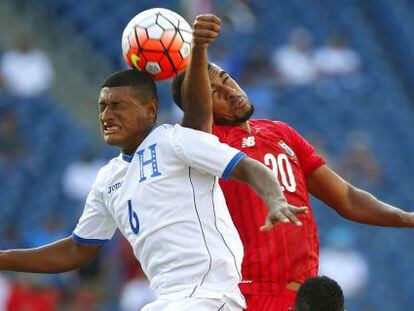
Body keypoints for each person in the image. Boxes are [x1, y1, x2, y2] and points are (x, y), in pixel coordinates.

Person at [0, 16, 306, 311]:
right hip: (167, 299)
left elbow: (248, 166)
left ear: (150, 110)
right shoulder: (108, 179)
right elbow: (76, 250)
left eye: (118, 105)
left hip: (210, 294)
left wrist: (274, 198)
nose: (107, 115)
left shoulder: (175, 141)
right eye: (102, 106)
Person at [171, 14, 414, 311]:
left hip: (305, 295)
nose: (230, 91)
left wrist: (408, 218)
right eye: (215, 94)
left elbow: (346, 197)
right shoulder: (205, 144)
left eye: (227, 79)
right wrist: (198, 49)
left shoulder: (280, 131)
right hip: (249, 294)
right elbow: (196, 112)